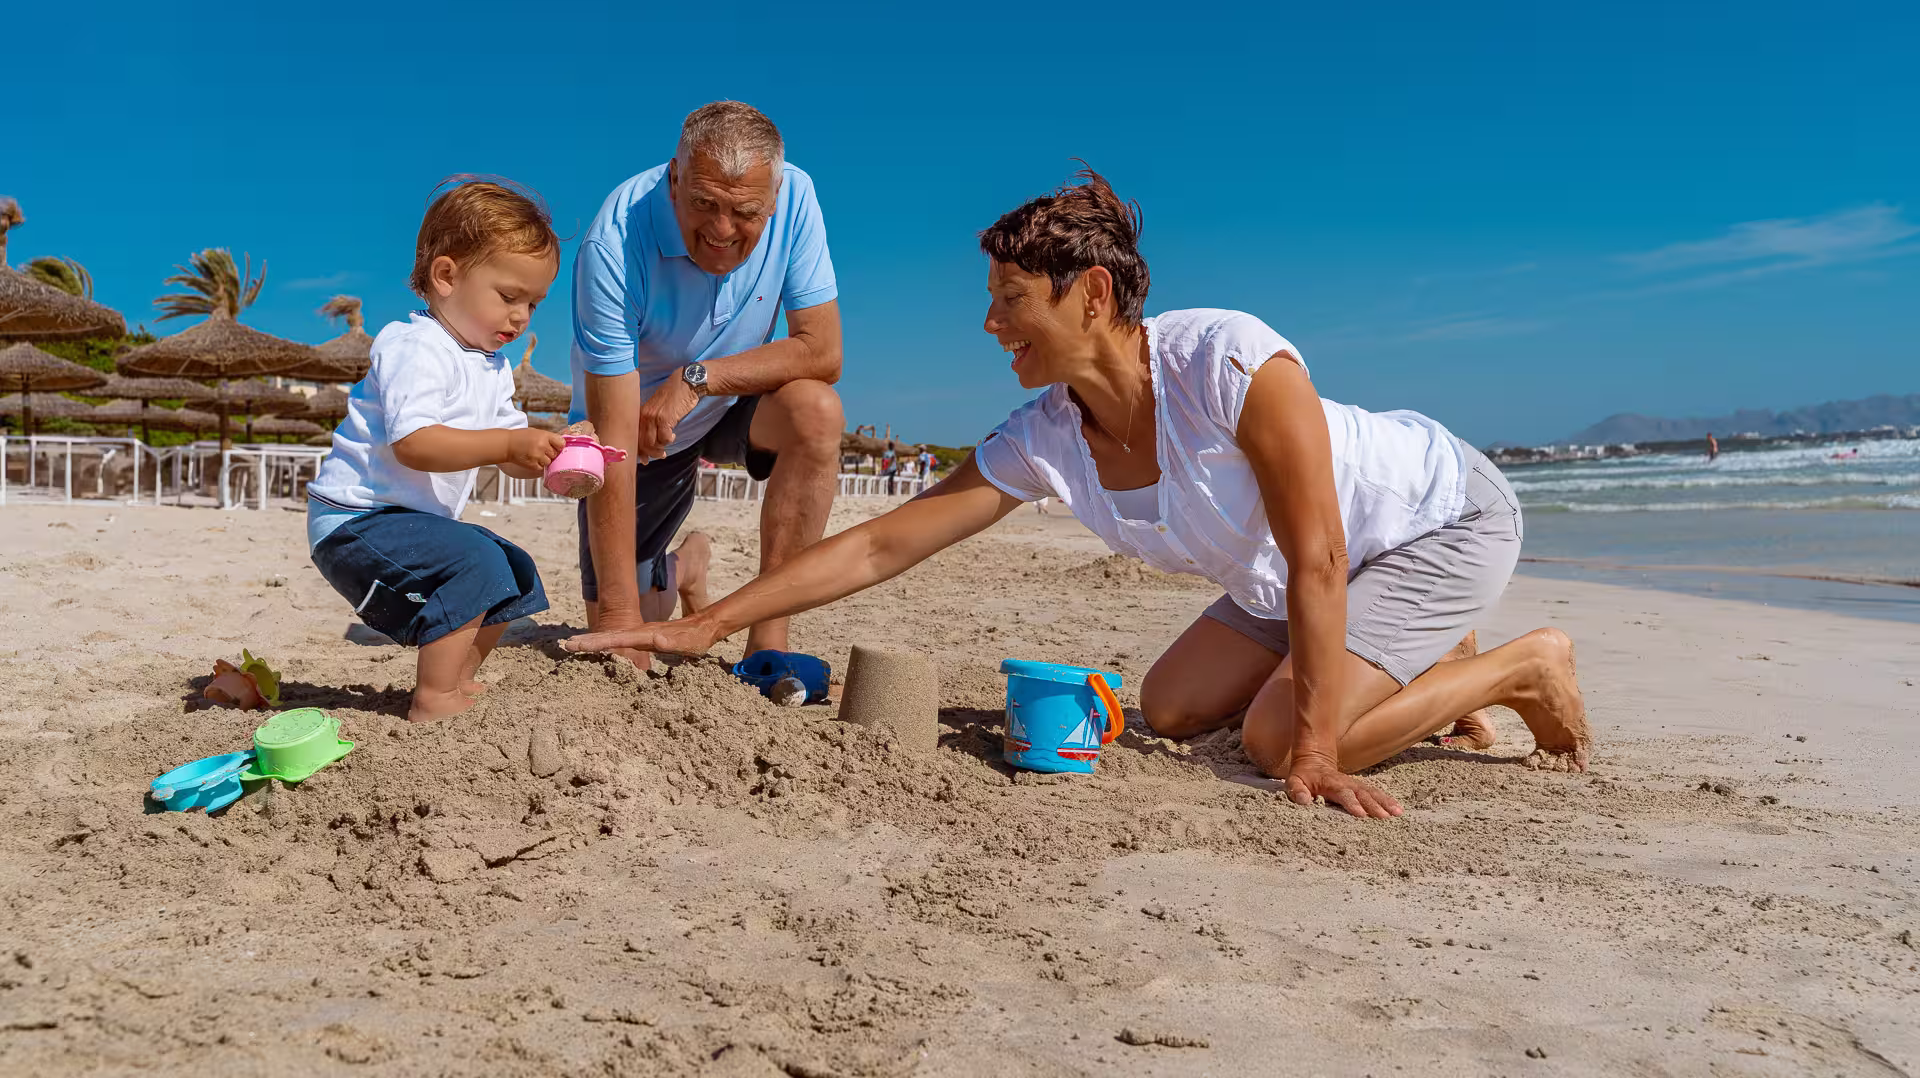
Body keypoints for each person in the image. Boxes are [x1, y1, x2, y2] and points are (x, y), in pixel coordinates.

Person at [566, 166, 1591, 818]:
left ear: (1092, 295)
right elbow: (885, 545)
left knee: (1281, 738)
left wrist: (1319, 748)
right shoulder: (1049, 433)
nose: (989, 324)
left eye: (1010, 300)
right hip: (1297, 574)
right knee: (1173, 707)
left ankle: (1518, 667)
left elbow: (1322, 554)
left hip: (1433, 521)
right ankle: (1425, 656)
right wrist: (713, 626)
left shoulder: (1229, 361)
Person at [571, 101, 844, 664]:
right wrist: (622, 625)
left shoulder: (797, 194)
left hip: (727, 400)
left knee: (816, 409)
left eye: (746, 212)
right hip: (639, 429)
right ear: (675, 178)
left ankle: (768, 639)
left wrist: (698, 379)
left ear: (774, 197)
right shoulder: (615, 241)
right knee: (632, 625)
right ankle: (684, 566)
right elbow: (614, 440)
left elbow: (823, 350)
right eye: (703, 204)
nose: (721, 231)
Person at [308, 179, 568, 722]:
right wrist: (508, 442)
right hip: (356, 520)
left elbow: (510, 453)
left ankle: (457, 679)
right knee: (475, 559)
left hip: (406, 523)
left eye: (534, 303)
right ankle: (433, 697)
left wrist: (558, 449)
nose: (521, 317)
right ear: (446, 276)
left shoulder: (491, 367)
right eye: (508, 296)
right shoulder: (415, 345)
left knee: (514, 569)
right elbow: (415, 445)